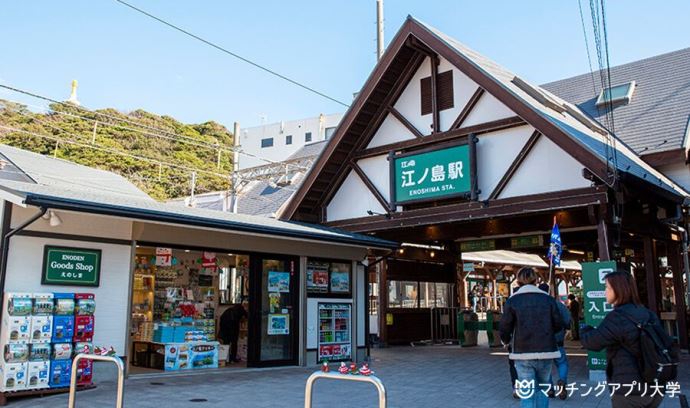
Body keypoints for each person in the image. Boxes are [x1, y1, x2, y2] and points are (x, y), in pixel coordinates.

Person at [580, 270, 664, 408]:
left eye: (607, 287)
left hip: (629, 388)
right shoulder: (647, 313)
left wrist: (585, 329)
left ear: (618, 290)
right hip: (655, 385)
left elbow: (592, 342)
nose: (605, 292)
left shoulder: (618, 317)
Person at [499, 268, 563, 408]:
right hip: (547, 351)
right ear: (536, 280)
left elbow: (504, 327)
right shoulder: (548, 299)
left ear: (518, 281)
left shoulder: (512, 301)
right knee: (542, 390)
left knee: (527, 392)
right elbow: (559, 324)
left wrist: (506, 341)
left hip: (522, 353)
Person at [539, 283, 571, 400]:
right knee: (562, 363)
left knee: (546, 366)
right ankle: (562, 381)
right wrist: (567, 328)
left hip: (543, 341)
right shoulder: (558, 304)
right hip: (558, 340)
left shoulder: (537, 306)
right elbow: (567, 319)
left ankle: (550, 389)